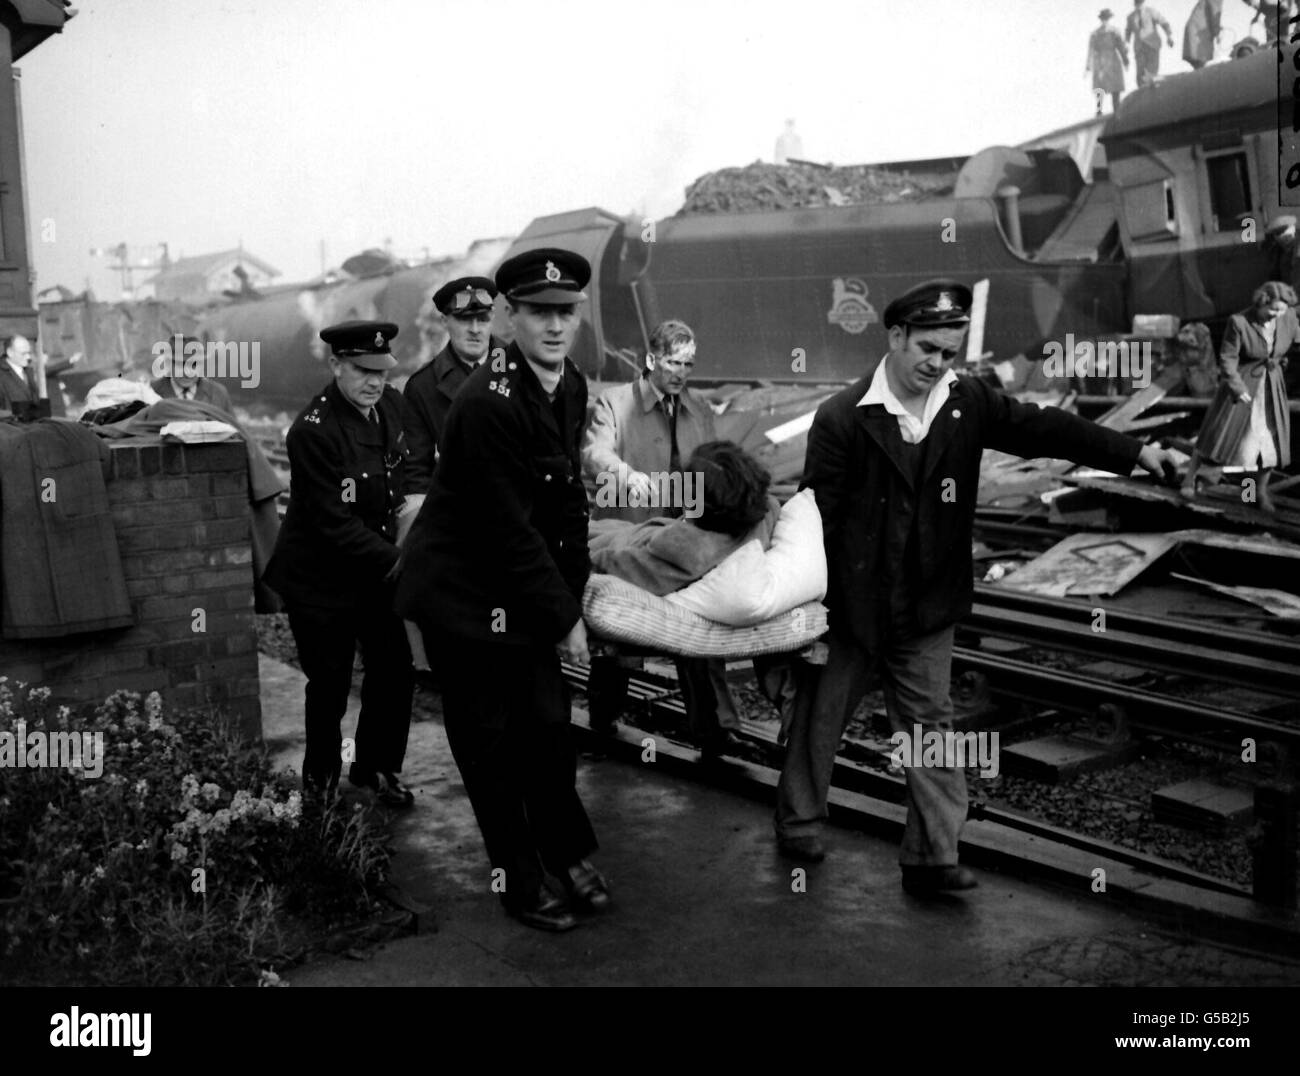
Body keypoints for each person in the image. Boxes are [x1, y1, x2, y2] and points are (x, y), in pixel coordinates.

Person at [773, 279, 1178, 894]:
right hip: (852, 608)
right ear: (896, 337)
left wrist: (1137, 451)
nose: (937, 365)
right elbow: (815, 522)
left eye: (949, 354)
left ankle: (932, 857)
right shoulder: (841, 419)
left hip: (927, 607)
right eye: (927, 349)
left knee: (931, 729)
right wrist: (809, 612)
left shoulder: (967, 402)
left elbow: (1046, 429)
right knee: (820, 717)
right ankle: (800, 824)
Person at [394, 248, 607, 933]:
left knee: (548, 727)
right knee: (491, 745)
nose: (553, 327)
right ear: (509, 316)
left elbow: (564, 502)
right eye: (538, 313)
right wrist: (565, 617)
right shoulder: (486, 404)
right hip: (463, 591)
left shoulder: (569, 384)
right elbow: (509, 530)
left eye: (564, 313)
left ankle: (567, 852)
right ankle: (519, 877)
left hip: (519, 584)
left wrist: (573, 590)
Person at [262, 320, 415, 807]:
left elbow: (403, 475)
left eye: (382, 371)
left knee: (394, 669)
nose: (375, 381)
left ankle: (375, 768)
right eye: (362, 370)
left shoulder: (390, 404)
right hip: (321, 577)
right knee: (329, 685)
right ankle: (320, 787)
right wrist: (402, 561)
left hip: (373, 569)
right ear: (335, 365)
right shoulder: (312, 432)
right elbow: (333, 524)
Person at [581, 319, 744, 757]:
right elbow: (595, 453)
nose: (681, 373)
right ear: (652, 359)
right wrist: (625, 476)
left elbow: (713, 462)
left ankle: (714, 729)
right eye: (673, 362)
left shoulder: (699, 409)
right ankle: (604, 715)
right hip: (629, 532)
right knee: (620, 635)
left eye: (688, 364)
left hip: (684, 537)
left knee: (697, 630)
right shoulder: (614, 403)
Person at [399, 276, 502, 687]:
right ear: (446, 322)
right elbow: (416, 476)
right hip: (458, 531)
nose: (475, 329)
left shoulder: (522, 372)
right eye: (464, 320)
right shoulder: (422, 389)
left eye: (482, 317)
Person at [589, 440, 780, 594]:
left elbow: (600, 563)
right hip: (621, 529)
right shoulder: (761, 515)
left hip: (596, 540)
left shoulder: (681, 552)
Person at [1180, 281, 1296, 514]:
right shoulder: (1239, 322)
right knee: (1216, 437)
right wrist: (1236, 385)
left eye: (1281, 310)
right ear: (1261, 303)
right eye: (1272, 310)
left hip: (1271, 386)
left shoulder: (1288, 317)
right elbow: (1227, 358)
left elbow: (1295, 338)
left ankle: (1257, 493)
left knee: (1268, 443)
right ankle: (1189, 480)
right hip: (1243, 386)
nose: (1276, 315)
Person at [148, 336, 234, 413]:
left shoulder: (218, 393)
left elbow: (234, 429)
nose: (187, 373)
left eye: (194, 365)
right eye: (180, 365)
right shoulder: (150, 392)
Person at [1086, 9, 1129, 115]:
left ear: (1109, 19)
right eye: (1103, 19)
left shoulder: (1114, 32)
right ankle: (1099, 110)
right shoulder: (1095, 34)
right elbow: (1091, 50)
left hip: (1113, 60)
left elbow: (1121, 46)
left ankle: (1117, 109)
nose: (1105, 21)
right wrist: (1088, 65)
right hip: (1100, 62)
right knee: (1099, 87)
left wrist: (1125, 60)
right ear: (1101, 20)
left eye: (1107, 19)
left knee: (1116, 86)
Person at [0, 335, 51, 420]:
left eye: (29, 353)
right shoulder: (1, 374)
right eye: (23, 353)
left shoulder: (29, 370)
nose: (28, 357)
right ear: (10, 352)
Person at [1125, 0, 1175, 87]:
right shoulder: (1131, 17)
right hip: (1139, 48)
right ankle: (1142, 95)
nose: (1139, 6)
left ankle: (1153, 92)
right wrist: (1126, 43)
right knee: (1140, 74)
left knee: (1152, 71)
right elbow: (1128, 31)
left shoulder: (1151, 11)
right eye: (1137, 4)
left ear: (1143, 3)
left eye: (1140, 3)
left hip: (1152, 45)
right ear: (1135, 4)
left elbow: (1163, 22)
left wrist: (1169, 36)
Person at [1183, 0, 1223, 69]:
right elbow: (1214, 15)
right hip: (1199, 33)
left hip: (1196, 30)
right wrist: (1217, 33)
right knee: (1201, 61)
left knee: (1199, 64)